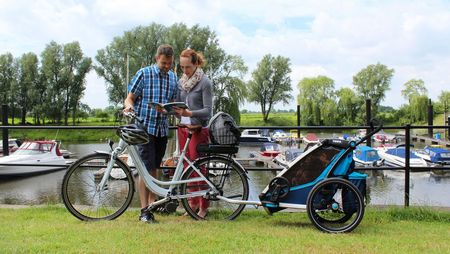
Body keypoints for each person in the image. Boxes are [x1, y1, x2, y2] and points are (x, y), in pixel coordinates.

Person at [123, 44, 177, 223]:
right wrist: (129, 106)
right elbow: (130, 97)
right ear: (157, 59)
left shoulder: (172, 77)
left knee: (155, 167)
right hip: (144, 127)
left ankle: (152, 205)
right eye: (163, 63)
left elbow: (172, 103)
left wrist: (169, 110)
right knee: (145, 169)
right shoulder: (144, 74)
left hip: (162, 128)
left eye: (169, 63)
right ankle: (144, 211)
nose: (167, 66)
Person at [173, 49, 213, 219]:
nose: (185, 71)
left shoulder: (205, 82)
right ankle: (192, 204)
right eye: (182, 67)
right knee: (187, 167)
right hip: (183, 129)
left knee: (199, 168)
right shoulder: (181, 82)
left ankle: (204, 207)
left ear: (196, 64)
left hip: (198, 130)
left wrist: (190, 114)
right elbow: (178, 106)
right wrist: (172, 110)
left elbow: (208, 111)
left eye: (188, 67)